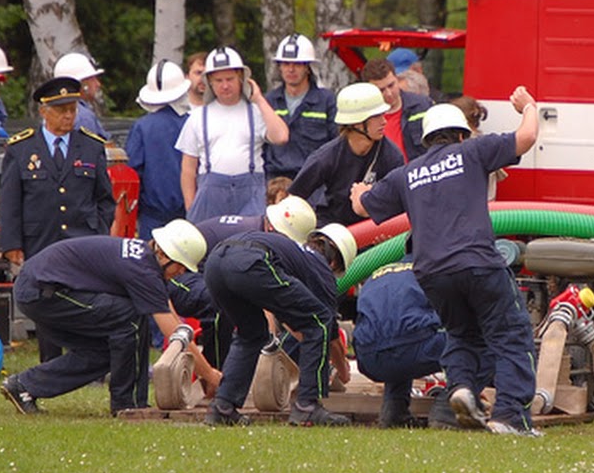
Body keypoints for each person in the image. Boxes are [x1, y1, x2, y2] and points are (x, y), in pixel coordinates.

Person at [351, 90, 541, 437]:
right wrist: (528, 107)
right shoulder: (473, 151)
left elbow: (364, 208)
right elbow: (526, 137)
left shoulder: (408, 173)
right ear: (461, 134)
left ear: (425, 139)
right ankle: (511, 417)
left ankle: (462, 390)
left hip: (432, 273)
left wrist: (358, 194)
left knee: (461, 334)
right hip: (477, 262)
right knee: (510, 334)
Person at [0, 221, 220, 416]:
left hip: (41, 289)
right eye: (180, 266)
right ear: (163, 254)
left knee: (104, 352)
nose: (181, 273)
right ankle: (129, 405)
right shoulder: (142, 270)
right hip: (42, 291)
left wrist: (205, 373)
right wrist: (210, 376)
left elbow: (168, 312)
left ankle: (23, 386)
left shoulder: (146, 259)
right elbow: (172, 331)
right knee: (130, 317)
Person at [0, 77, 116, 362]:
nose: (68, 116)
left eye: (72, 109)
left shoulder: (90, 146)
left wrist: (98, 233)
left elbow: (104, 198)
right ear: (43, 111)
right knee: (46, 300)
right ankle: (50, 364)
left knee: (86, 298)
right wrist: (12, 243)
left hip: (82, 237)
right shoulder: (21, 148)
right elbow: (11, 201)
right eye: (61, 110)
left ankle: (87, 360)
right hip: (41, 237)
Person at [202, 222, 357, 427]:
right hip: (250, 262)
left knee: (251, 334)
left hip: (215, 263)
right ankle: (307, 407)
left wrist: (314, 348)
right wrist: (343, 370)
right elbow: (327, 330)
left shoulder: (294, 252)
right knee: (319, 322)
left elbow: (295, 320)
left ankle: (222, 406)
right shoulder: (320, 268)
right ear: (335, 262)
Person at [168, 195, 317, 369]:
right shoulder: (255, 239)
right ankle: (215, 372)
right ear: (276, 229)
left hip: (204, 274)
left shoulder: (260, 231)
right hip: (175, 273)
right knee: (219, 304)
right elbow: (263, 297)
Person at [175, 46, 289, 222]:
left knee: (250, 245)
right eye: (219, 80)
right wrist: (191, 207)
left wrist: (258, 98)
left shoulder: (256, 112)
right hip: (209, 197)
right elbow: (188, 169)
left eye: (230, 79)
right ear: (210, 82)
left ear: (241, 79)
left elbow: (281, 136)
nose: (225, 86)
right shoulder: (198, 116)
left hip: (250, 195)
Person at [354, 257, 454, 429]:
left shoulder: (379, 272)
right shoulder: (434, 267)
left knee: (398, 336)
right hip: (412, 351)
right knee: (476, 343)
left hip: (368, 358)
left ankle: (394, 410)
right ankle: (447, 409)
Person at [290, 82, 404, 226]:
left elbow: (398, 203)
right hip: (331, 231)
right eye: (376, 116)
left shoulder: (392, 156)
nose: (384, 121)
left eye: (383, 114)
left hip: (373, 232)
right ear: (357, 123)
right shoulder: (326, 157)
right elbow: (293, 199)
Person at [124, 60, 190, 237]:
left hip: (151, 220)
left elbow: (132, 173)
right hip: (190, 217)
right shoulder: (193, 124)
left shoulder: (142, 127)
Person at [263, 33, 338, 181]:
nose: (291, 69)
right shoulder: (270, 101)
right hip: (276, 180)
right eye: (286, 64)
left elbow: (336, 145)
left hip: (315, 181)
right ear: (279, 67)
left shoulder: (326, 101)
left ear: (307, 67)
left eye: (297, 64)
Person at [360, 57, 432, 161]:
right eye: (381, 90)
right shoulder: (363, 115)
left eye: (391, 85)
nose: (388, 93)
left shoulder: (422, 105)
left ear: (397, 79)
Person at [53, 51, 109, 139]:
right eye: (93, 79)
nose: (98, 84)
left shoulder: (52, 112)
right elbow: (90, 150)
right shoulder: (83, 117)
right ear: (83, 84)